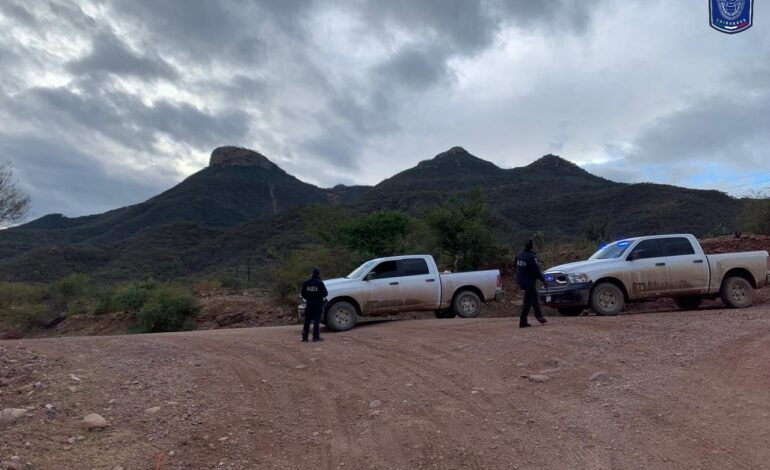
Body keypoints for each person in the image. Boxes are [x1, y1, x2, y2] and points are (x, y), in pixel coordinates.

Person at [515, 239, 547, 328]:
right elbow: (536, 271)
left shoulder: (519, 254)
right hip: (528, 282)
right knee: (527, 302)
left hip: (521, 280)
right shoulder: (532, 257)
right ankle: (523, 321)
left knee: (534, 296)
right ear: (532, 246)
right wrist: (543, 280)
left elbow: (515, 266)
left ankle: (539, 316)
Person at [300, 267, 328, 342]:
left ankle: (304, 337)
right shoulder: (320, 283)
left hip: (309, 303)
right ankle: (315, 337)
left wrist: (308, 298)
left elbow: (303, 293)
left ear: (312, 273)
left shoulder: (306, 282)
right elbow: (325, 294)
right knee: (316, 320)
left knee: (307, 320)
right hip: (318, 304)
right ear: (319, 274)